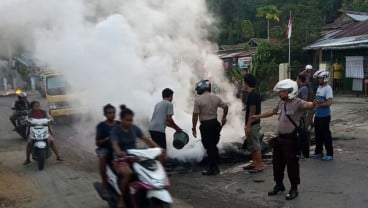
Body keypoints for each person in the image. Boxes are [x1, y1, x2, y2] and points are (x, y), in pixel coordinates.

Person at [250, 79, 316, 200]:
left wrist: (313, 104)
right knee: (277, 164)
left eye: (282, 92)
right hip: (280, 140)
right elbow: (272, 111)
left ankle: (294, 188)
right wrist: (258, 116)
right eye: (279, 92)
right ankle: (279, 185)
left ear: (291, 91)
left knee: (292, 166)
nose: (279, 94)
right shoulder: (281, 104)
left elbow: (307, 105)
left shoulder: (298, 103)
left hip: (291, 141)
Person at [111, 105, 161, 208]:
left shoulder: (134, 128)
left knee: (148, 170)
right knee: (128, 173)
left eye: (131, 120)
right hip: (120, 159)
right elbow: (114, 144)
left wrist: (158, 148)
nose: (129, 122)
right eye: (127, 120)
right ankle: (121, 199)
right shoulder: (115, 131)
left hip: (134, 157)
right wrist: (119, 152)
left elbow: (146, 139)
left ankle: (142, 195)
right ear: (121, 119)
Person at [192, 80, 228, 176]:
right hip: (215, 124)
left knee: (209, 147)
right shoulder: (216, 97)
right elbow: (225, 106)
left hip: (206, 125)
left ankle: (213, 169)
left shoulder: (198, 100)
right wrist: (224, 117)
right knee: (213, 145)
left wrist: (194, 128)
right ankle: (215, 165)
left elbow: (195, 115)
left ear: (202, 88)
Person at [23, 100, 63, 165]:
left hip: (44, 129)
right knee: (29, 143)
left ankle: (58, 156)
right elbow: (26, 118)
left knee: (52, 141)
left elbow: (50, 117)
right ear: (32, 107)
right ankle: (27, 159)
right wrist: (25, 121)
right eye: (35, 106)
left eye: (38, 106)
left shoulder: (44, 112)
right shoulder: (30, 113)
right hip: (33, 130)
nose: (37, 107)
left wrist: (51, 120)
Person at [95, 104, 120, 193]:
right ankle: (105, 183)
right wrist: (107, 139)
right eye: (109, 113)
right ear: (105, 114)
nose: (112, 115)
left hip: (118, 148)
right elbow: (97, 143)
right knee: (102, 158)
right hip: (105, 148)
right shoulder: (101, 126)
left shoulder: (119, 124)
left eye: (113, 112)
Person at [242, 74, 264, 173]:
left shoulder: (253, 95)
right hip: (252, 123)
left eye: (244, 82)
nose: (243, 84)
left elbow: (252, 112)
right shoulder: (253, 93)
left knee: (255, 145)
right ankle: (254, 163)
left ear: (247, 83)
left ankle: (259, 165)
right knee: (251, 144)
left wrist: (248, 126)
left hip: (253, 124)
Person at [311, 70, 334, 161]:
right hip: (318, 115)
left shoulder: (328, 88)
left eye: (320, 78)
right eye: (318, 78)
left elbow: (329, 103)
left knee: (326, 135)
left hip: (325, 116)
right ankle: (318, 152)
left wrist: (319, 104)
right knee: (318, 135)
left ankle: (329, 154)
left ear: (325, 78)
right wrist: (314, 103)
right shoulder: (319, 88)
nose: (318, 80)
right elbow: (316, 100)